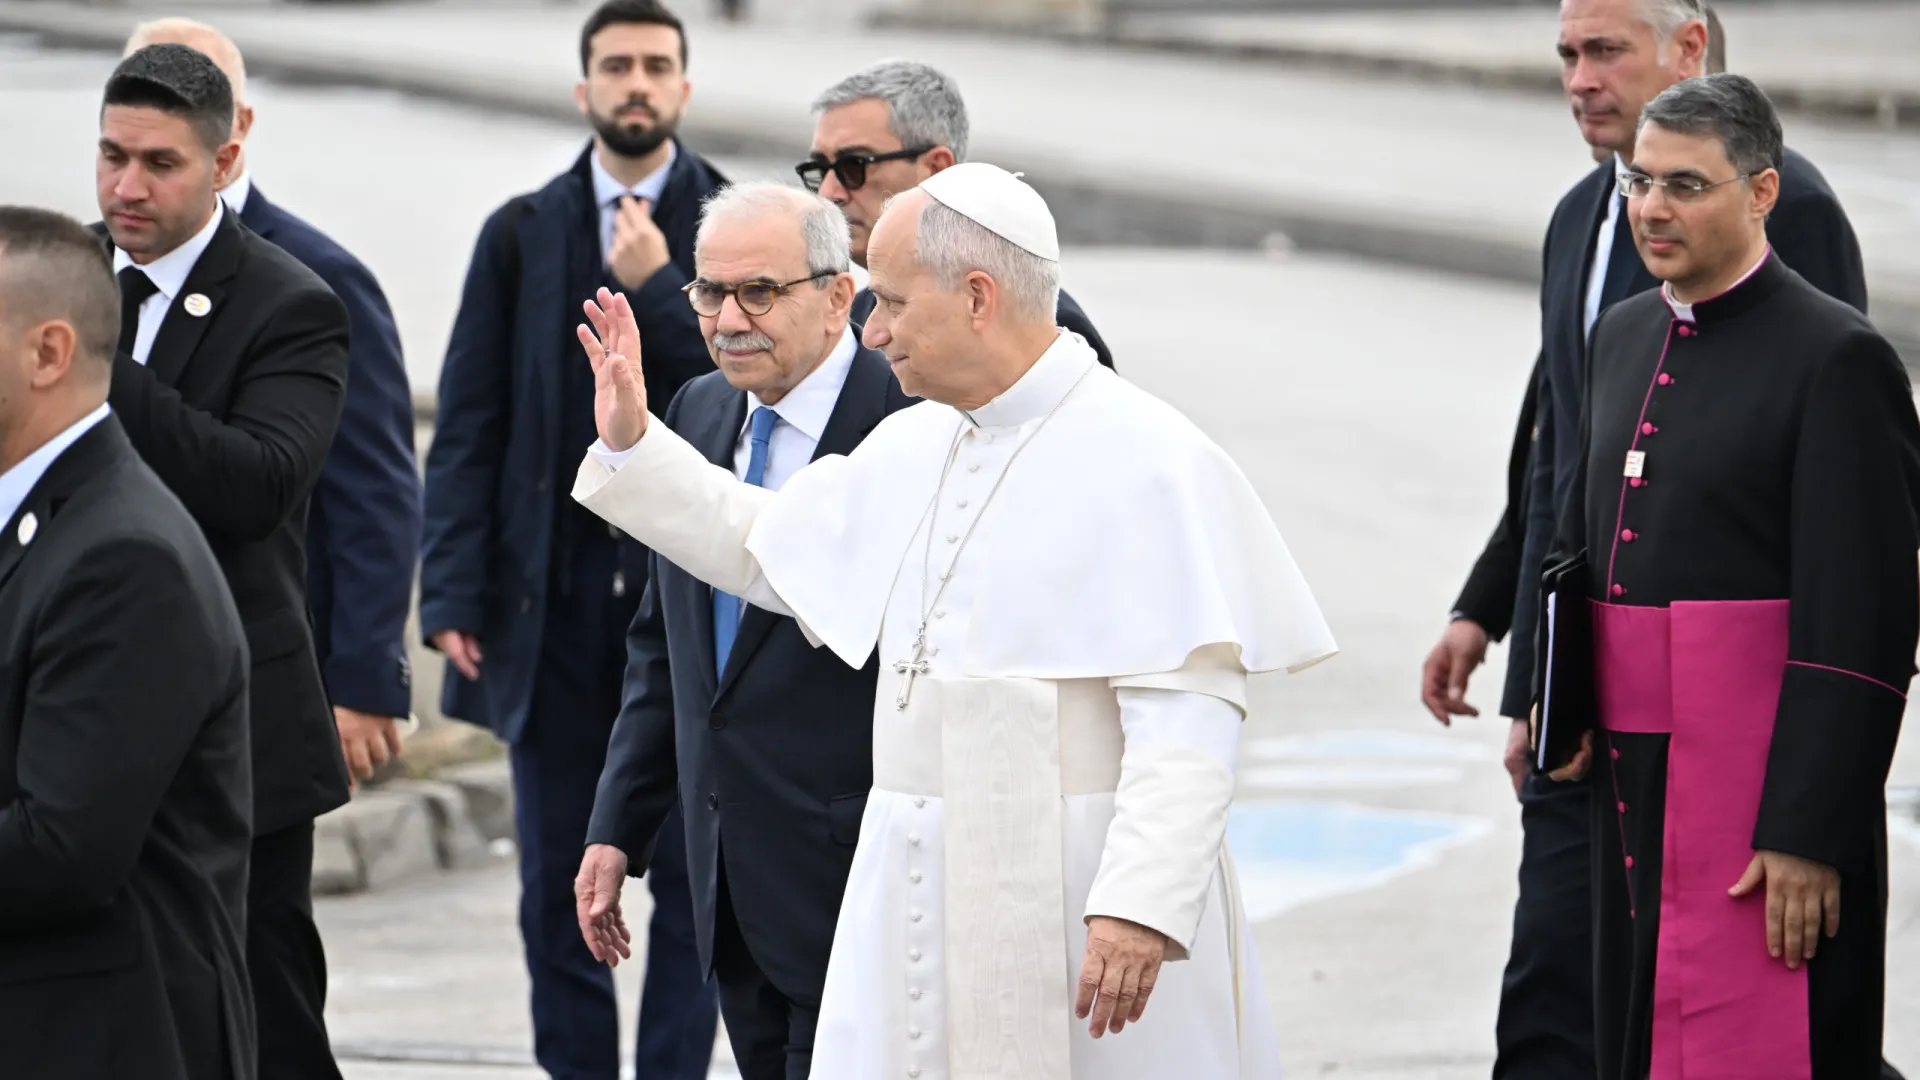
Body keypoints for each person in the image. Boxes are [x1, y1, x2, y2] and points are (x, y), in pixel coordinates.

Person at [571, 162, 1335, 1078]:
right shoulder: (923, 435)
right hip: (912, 880)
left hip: (1074, 889)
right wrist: (637, 445)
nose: (874, 328)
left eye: (890, 301)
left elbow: (1188, 718)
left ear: (977, 297)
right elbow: (771, 547)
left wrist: (1140, 902)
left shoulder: (1148, 458)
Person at [1415, 3, 1868, 1074]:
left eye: (1605, 51)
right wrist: (1502, 622)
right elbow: (1563, 442)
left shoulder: (1789, 213)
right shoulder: (1583, 216)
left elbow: (1832, 524)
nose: (1579, 79)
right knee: (1565, 1004)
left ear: (1689, 49)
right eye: (1568, 54)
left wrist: (1806, 810)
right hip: (1594, 704)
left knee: (1739, 1022)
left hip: (1730, 734)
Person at [1540, 72, 1918, 1080]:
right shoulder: (1623, 334)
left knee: (1774, 1043)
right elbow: (1589, 545)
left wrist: (1807, 829)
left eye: (1687, 186)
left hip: (1760, 789)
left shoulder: (1837, 359)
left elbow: (1864, 623)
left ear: (1761, 193)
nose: (1653, 209)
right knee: (1638, 1034)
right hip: (1633, 777)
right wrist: (1558, 697)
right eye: (1640, 183)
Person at [417, 1, 720, 1075]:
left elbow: (742, 399)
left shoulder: (730, 225)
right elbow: (472, 420)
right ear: (582, 88)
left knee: (691, 886)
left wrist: (657, 291)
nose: (636, 83)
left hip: (685, 614)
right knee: (557, 886)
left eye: (655, 66)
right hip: (547, 614)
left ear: (684, 88)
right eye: (615, 66)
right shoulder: (522, 229)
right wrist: (451, 592)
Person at [574, 182, 914, 1080]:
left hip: (861, 881)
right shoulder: (692, 411)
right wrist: (618, 825)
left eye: (758, 292)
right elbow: (665, 649)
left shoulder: (907, 425)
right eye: (708, 292)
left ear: (841, 294)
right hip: (728, 880)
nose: (728, 319)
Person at [95, 44, 354, 1080]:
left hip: (236, 738)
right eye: (110, 155)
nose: (125, 186)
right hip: (76, 721)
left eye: (158, 162)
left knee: (262, 1015)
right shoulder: (50, 281)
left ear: (224, 156)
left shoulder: (294, 304)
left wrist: (90, 358)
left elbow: (257, 485)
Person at [124, 18, 423, 789]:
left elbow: (374, 489)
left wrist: (363, 679)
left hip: (262, 661)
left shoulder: (318, 277)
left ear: (239, 127)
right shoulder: (85, 264)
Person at [0, 206, 253, 1080]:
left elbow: (61, 849)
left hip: (98, 1036)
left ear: (47, 353)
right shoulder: (46, 521)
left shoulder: (124, 557)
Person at [802, 59, 1116, 370]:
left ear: (936, 168)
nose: (829, 192)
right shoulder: (854, 316)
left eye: (853, 166)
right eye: (820, 169)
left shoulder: (1040, 327)